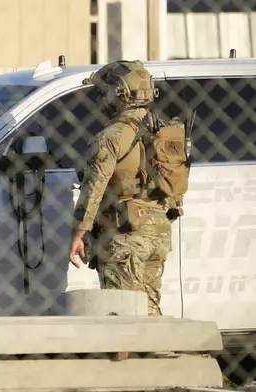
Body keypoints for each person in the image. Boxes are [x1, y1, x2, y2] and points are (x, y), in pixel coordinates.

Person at [68, 60, 190, 316]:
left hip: (124, 235)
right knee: (149, 310)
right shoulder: (166, 132)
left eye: (102, 92)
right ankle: (156, 352)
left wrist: (79, 232)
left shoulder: (111, 137)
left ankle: (134, 354)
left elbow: (93, 189)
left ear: (117, 94)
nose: (99, 100)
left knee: (122, 314)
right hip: (158, 234)